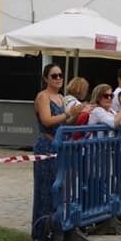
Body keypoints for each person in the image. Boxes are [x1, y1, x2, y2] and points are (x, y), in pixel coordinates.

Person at [31, 64, 77, 227]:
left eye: (60, 75)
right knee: (46, 188)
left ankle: (57, 226)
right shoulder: (43, 96)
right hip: (47, 145)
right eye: (54, 76)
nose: (58, 79)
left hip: (59, 145)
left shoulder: (61, 97)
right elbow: (47, 120)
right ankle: (43, 229)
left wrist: (77, 113)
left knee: (59, 189)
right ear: (46, 78)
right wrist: (68, 114)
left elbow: (65, 121)